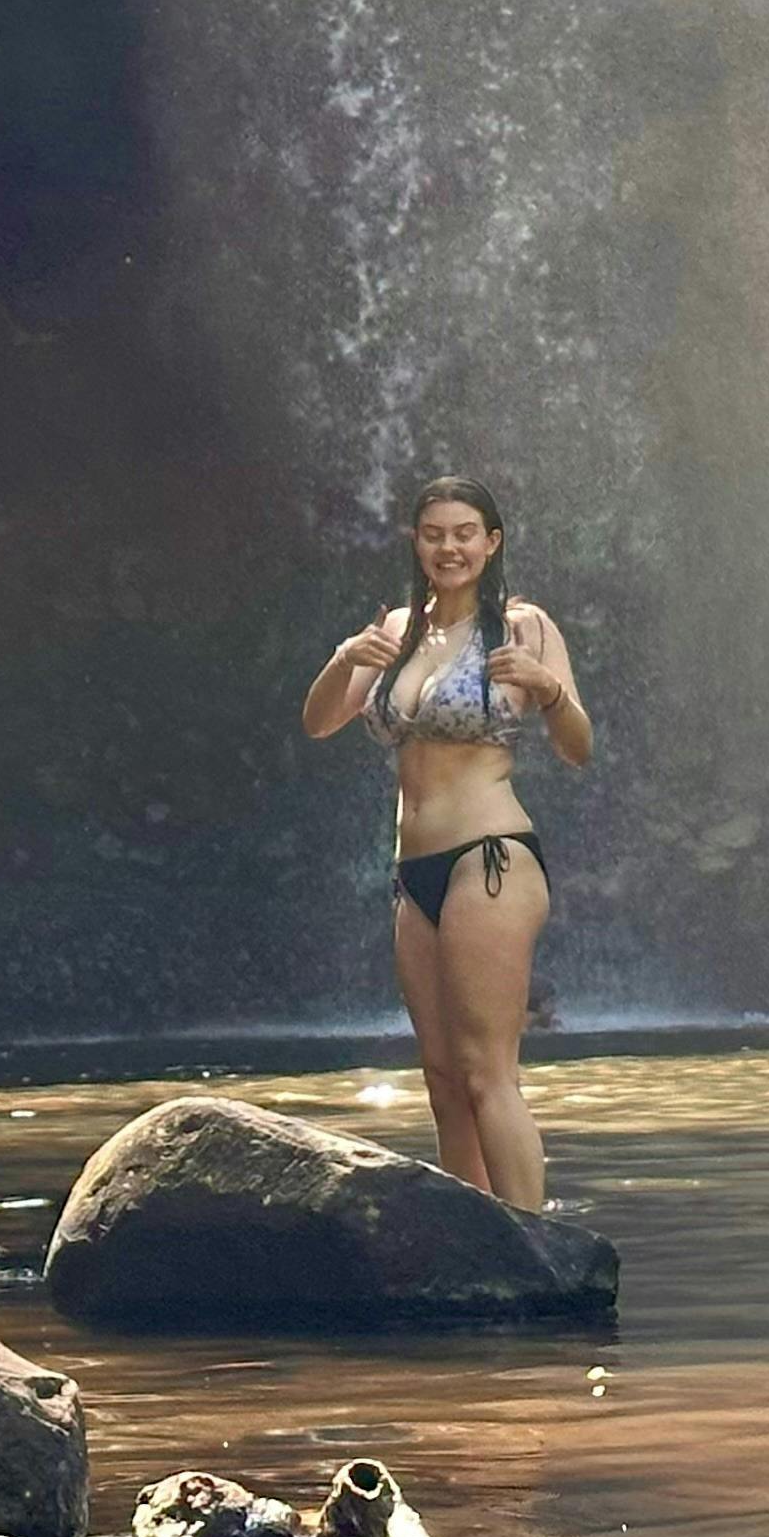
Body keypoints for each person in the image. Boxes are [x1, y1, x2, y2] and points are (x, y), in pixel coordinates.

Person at [299, 474, 593, 1209]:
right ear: (416, 542)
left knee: (486, 1070)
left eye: (464, 534)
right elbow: (319, 722)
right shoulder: (397, 631)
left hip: (488, 857)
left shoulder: (524, 627)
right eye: (434, 534)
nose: (449, 547)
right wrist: (344, 658)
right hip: (415, 874)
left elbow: (578, 747)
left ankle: (533, 1240)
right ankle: (479, 1237)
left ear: (491, 543)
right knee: (441, 1078)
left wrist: (548, 689)